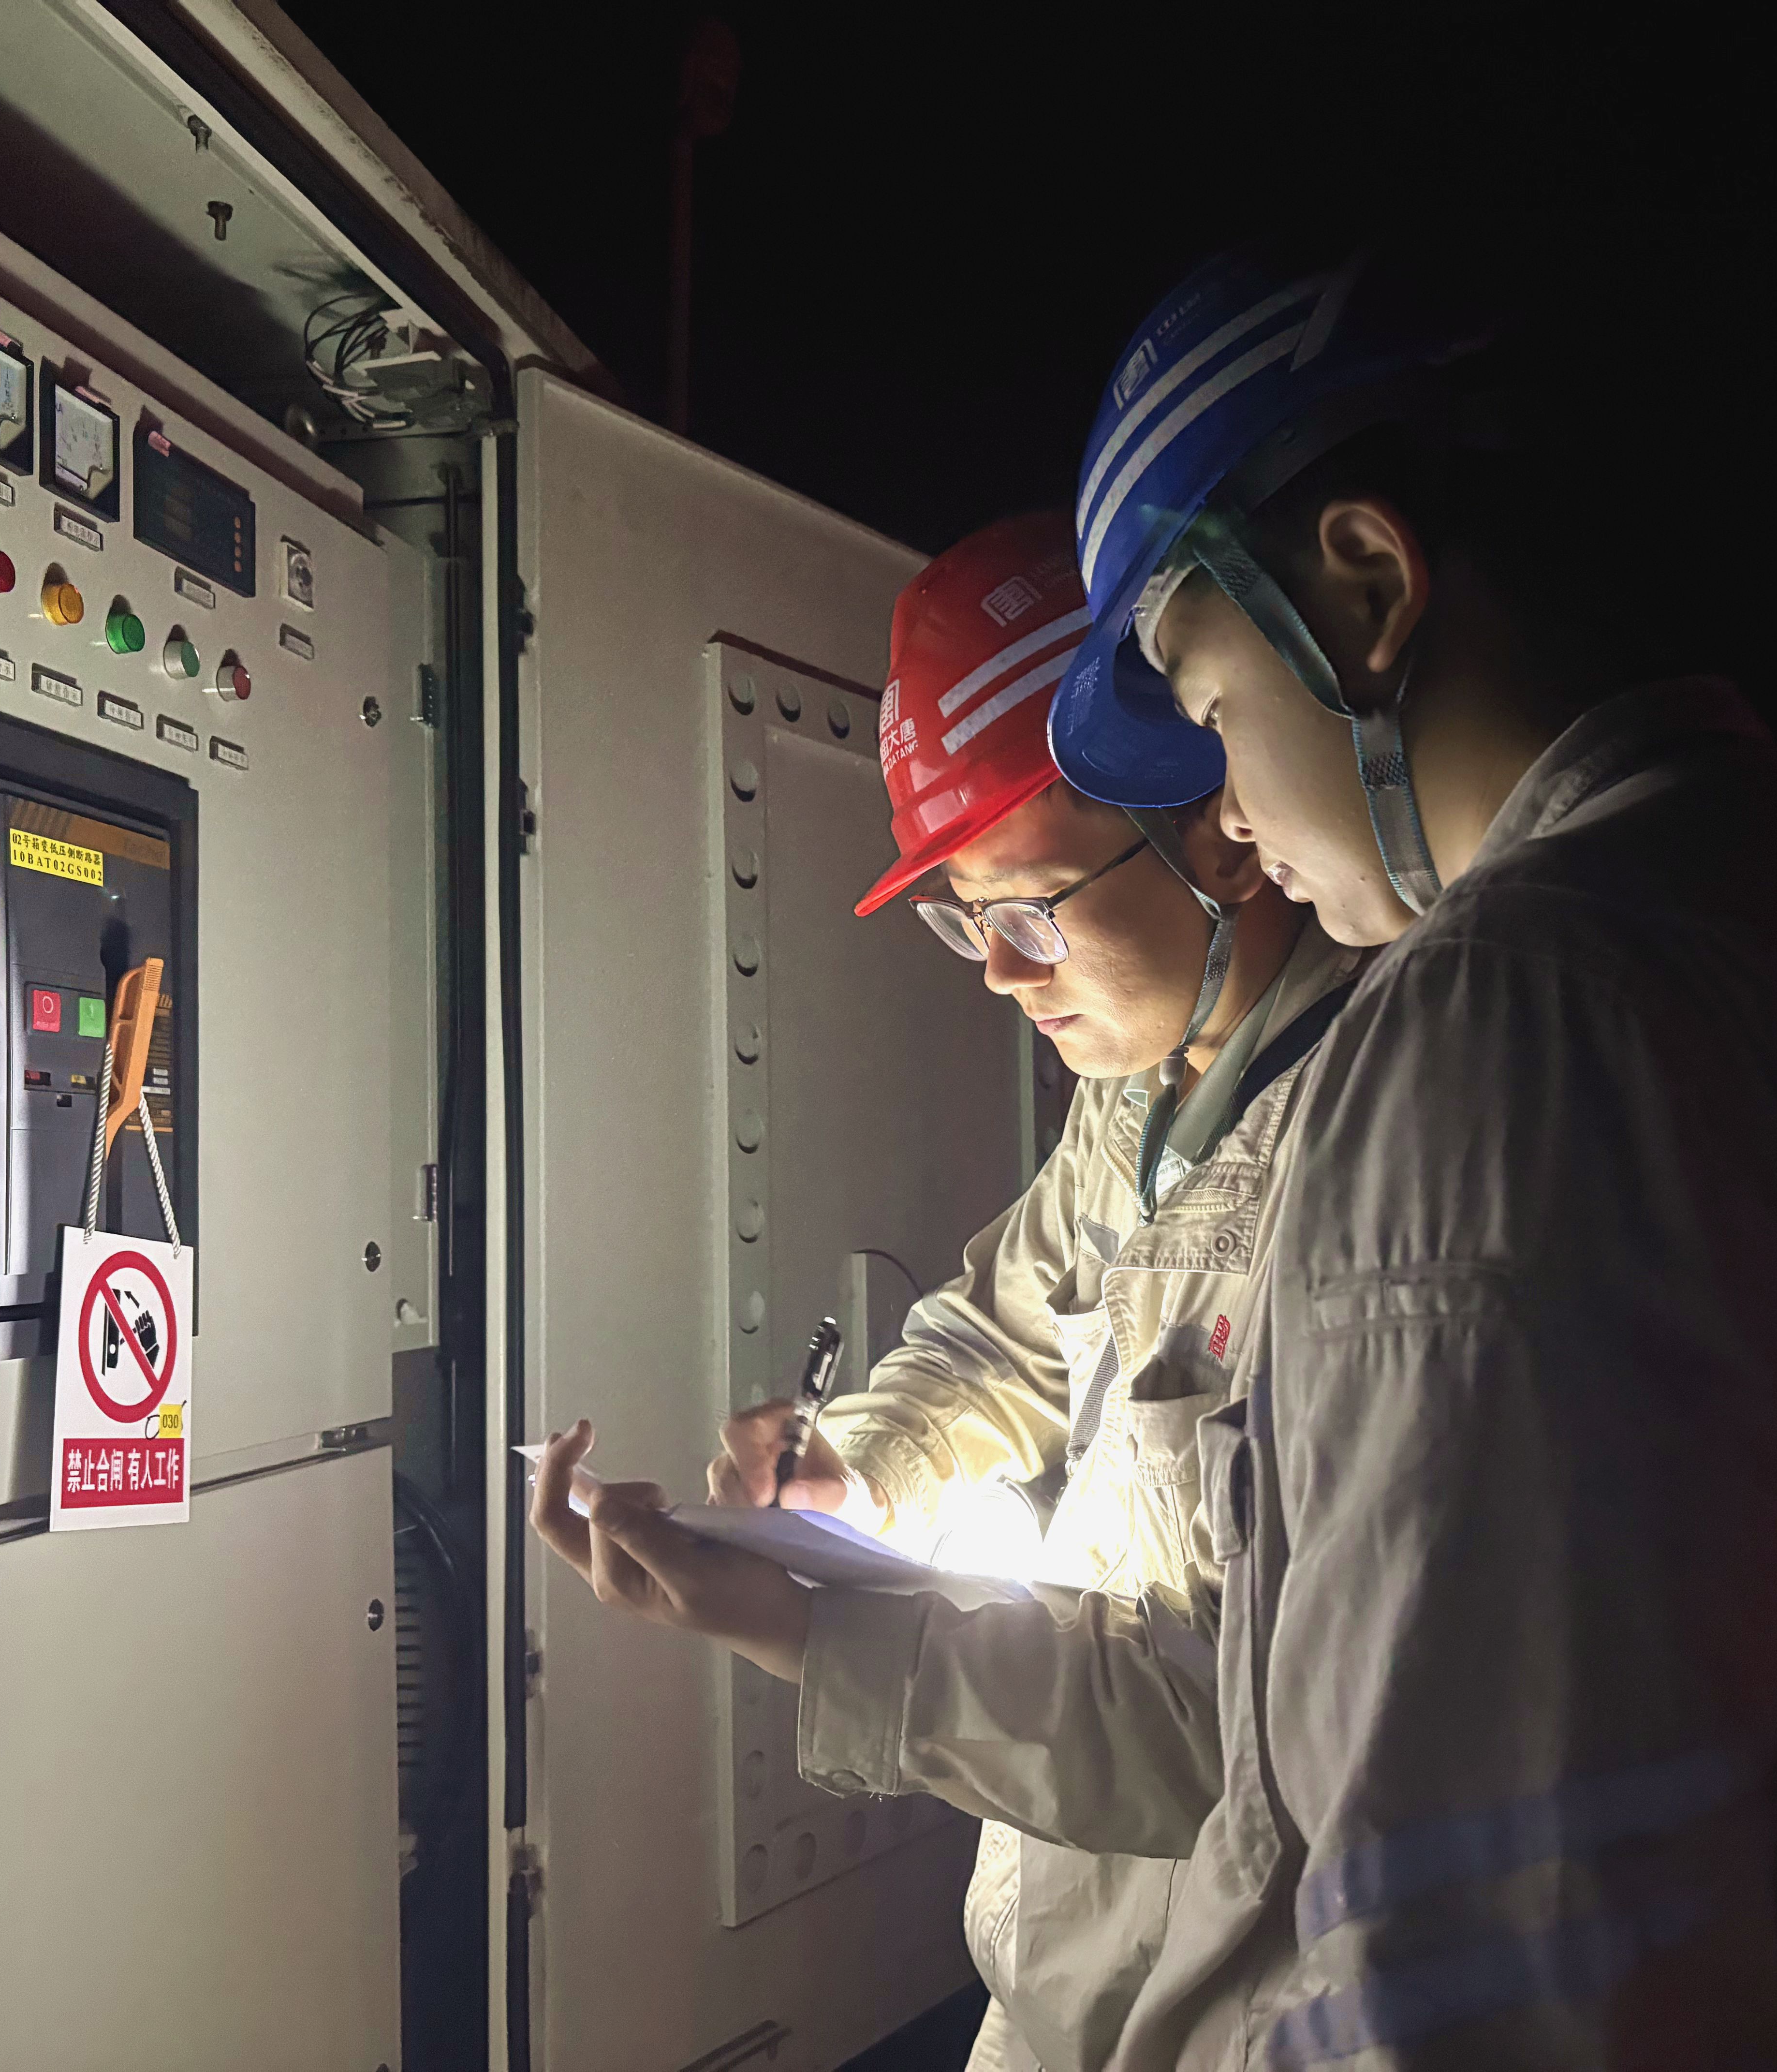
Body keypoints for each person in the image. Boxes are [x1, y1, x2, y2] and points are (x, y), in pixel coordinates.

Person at [1033, 247, 1777, 2066]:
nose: (1227, 806)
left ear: (1366, 583)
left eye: (1219, 706)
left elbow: (1482, 1987)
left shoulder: (1522, 1018)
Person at [534, 512, 1357, 2072]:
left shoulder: (1368, 1152)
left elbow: (1225, 1733)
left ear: (1223, 830)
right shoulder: (1143, 1093)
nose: (996, 967)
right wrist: (863, 1465)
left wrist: (802, 1628)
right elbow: (1004, 1334)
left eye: (1030, 908)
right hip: (1064, 1997)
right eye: (964, 917)